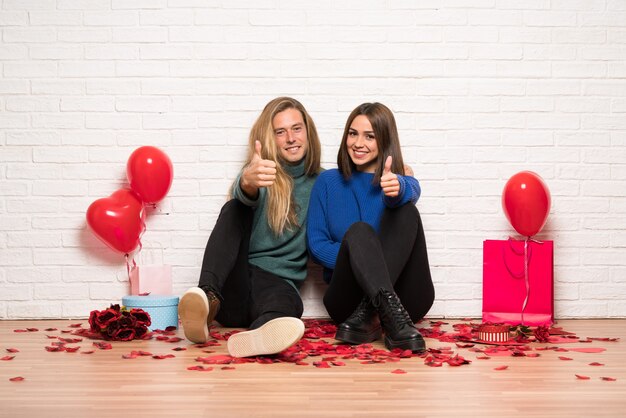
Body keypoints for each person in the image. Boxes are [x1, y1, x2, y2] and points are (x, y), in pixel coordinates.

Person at [179, 97, 322, 358]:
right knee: (234, 208)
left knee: (289, 306)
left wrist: (400, 178)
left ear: (308, 132)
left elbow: (354, 192)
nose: (290, 138)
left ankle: (257, 336)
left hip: (277, 287)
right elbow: (244, 192)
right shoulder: (260, 172)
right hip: (235, 288)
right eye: (281, 132)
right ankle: (208, 298)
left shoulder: (323, 182)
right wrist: (247, 181)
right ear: (271, 138)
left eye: (296, 128)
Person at [306, 102, 435, 352]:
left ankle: (378, 312)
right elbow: (316, 246)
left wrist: (402, 185)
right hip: (348, 304)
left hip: (405, 301)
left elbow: (410, 190)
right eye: (353, 134)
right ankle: (384, 316)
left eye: (370, 136)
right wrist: (357, 261)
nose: (358, 143)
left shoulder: (394, 183)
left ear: (384, 140)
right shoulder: (328, 182)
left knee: (408, 211)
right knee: (359, 232)